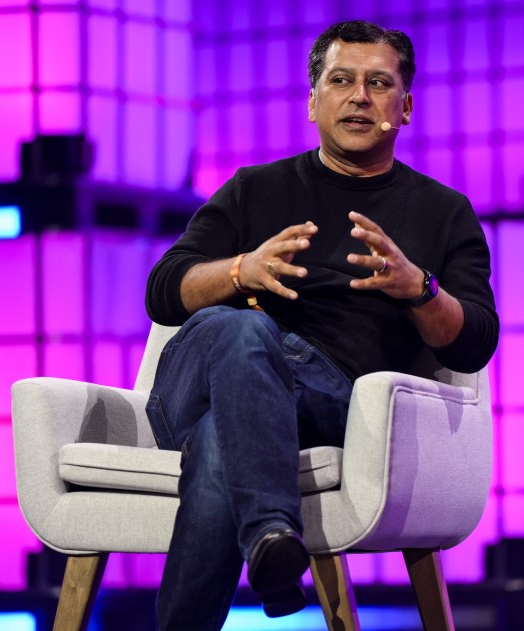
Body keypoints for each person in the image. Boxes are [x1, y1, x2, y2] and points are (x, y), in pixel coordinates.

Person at [144, 19, 499, 631]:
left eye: (378, 83)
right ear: (313, 102)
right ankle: (270, 532)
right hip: (199, 376)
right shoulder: (257, 188)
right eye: (341, 80)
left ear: (405, 107)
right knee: (241, 331)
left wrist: (417, 287)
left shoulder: (444, 213)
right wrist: (240, 270)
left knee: (222, 443)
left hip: (330, 401)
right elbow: (162, 289)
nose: (359, 96)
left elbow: (473, 342)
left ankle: (270, 540)